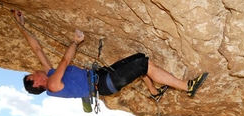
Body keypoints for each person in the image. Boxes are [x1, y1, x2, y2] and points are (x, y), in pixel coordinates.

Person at [12, 11, 209, 102]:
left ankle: (153, 91)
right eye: (32, 75)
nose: (35, 72)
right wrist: (75, 42)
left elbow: (38, 50)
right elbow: (65, 61)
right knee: (142, 65)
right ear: (37, 84)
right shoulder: (53, 85)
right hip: (104, 84)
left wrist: (21, 26)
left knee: (141, 58)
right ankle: (187, 87)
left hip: (102, 75)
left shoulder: (50, 74)